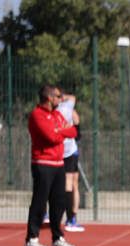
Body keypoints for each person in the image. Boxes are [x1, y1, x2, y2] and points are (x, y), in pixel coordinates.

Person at [24, 84, 78, 246]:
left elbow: (73, 131)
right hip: (43, 164)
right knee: (39, 203)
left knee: (59, 203)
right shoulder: (37, 115)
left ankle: (57, 238)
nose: (60, 99)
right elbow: (51, 137)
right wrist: (60, 132)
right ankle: (31, 239)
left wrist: (59, 131)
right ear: (49, 98)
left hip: (58, 164)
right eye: (57, 96)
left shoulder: (56, 115)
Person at [56, 89, 84, 232]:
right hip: (59, 152)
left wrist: (62, 97)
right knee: (61, 184)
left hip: (70, 152)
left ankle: (72, 217)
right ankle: (65, 217)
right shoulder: (52, 113)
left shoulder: (66, 107)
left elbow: (72, 97)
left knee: (73, 183)